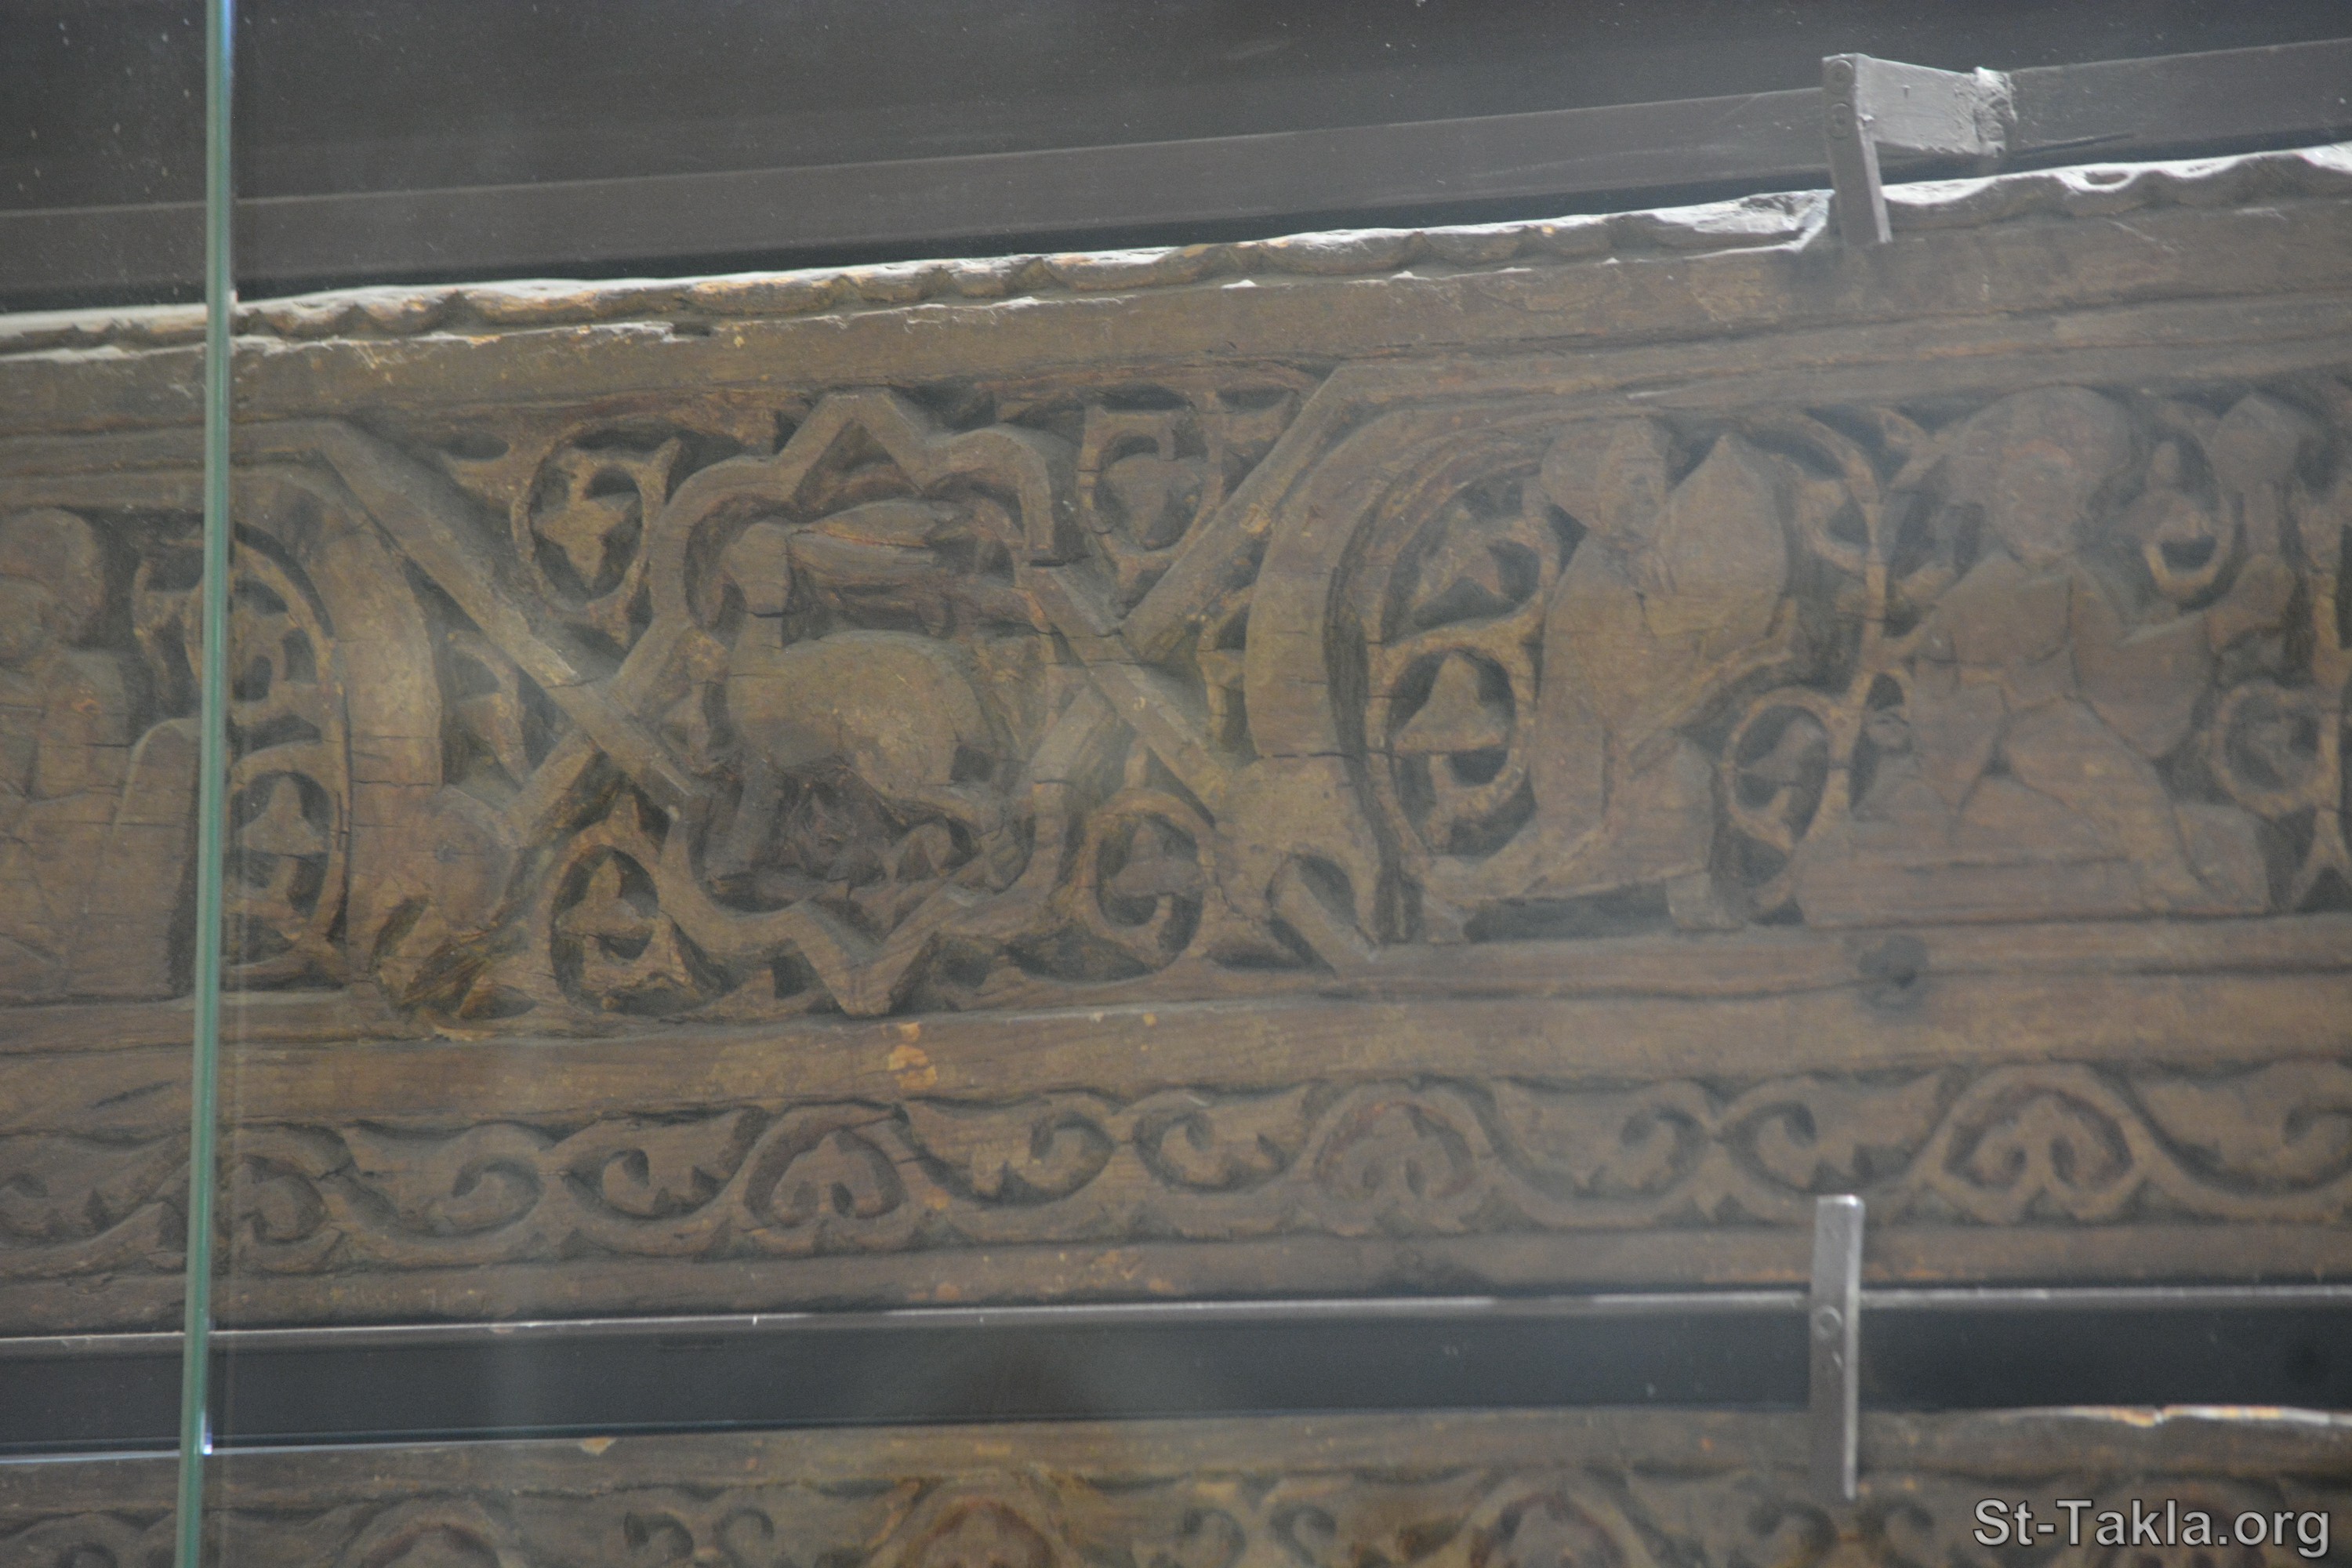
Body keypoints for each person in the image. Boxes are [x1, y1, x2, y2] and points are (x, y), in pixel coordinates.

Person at [1792, 387, 2289, 924]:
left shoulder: (2073, 580)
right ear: (2003, 512)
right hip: (2003, 730)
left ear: (2077, 511)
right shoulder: (1976, 591)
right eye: (2026, 500)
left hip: (2048, 722)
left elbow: (2115, 659)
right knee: (2117, 782)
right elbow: (1939, 673)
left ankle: (2166, 876)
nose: (2042, 512)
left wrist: (2206, 627)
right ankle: (2167, 880)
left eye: (2056, 500)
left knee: (2126, 780)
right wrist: (2219, 624)